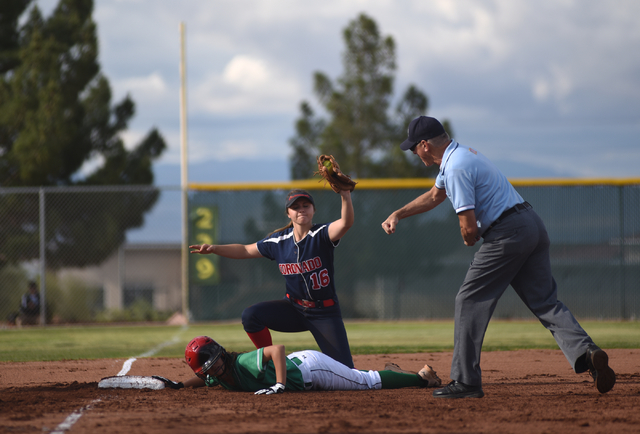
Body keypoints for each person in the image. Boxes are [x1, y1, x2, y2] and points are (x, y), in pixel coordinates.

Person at [381, 115, 616, 399]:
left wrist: (471, 238)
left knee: (468, 299)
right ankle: (587, 352)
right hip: (531, 224)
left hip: (509, 232)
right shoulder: (461, 155)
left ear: (425, 145)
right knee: (545, 301)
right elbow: (434, 196)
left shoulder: (455, 168)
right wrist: (398, 213)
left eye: (413, 148)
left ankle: (466, 382)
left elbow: (468, 228)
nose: (413, 153)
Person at [190, 189, 356, 368]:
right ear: (288, 213)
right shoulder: (279, 241)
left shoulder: (322, 234)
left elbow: (346, 223)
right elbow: (245, 250)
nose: (301, 210)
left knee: (346, 372)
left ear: (313, 210)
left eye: (305, 205)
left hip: (325, 313)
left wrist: (345, 195)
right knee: (251, 315)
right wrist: (215, 248)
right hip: (294, 309)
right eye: (295, 207)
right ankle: (271, 364)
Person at [152, 335, 441, 393]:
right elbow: (205, 380)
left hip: (310, 369)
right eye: (209, 366)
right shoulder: (217, 375)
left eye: (215, 361)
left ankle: (421, 379)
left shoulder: (239, 363)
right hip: (304, 371)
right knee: (356, 376)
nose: (215, 368)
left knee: (366, 383)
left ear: (221, 354)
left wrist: (279, 384)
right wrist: (178, 386)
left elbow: (276, 350)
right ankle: (396, 374)